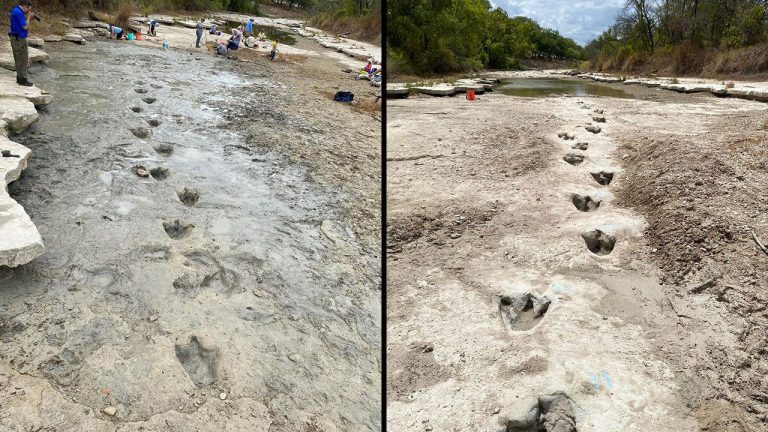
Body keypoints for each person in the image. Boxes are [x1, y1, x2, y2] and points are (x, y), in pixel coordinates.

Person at [9, 0, 33, 86]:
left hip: (17, 38)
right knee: (22, 59)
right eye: (28, 9)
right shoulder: (18, 13)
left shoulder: (16, 10)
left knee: (19, 58)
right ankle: (22, 80)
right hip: (19, 39)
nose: (27, 12)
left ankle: (20, 78)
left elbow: (22, 25)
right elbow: (25, 27)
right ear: (25, 6)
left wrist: (28, 19)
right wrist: (29, 17)